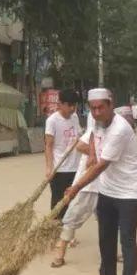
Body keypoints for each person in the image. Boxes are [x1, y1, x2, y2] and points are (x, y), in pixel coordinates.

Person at [64, 88, 137, 275]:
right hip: (107, 188)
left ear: (111, 105)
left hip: (128, 190)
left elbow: (101, 166)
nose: (97, 112)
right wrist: (91, 150)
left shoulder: (120, 129)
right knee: (105, 237)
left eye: (101, 107)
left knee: (126, 240)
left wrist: (75, 187)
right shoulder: (97, 121)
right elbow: (92, 135)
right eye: (93, 108)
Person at [52, 113, 106, 269]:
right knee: (72, 217)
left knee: (107, 220)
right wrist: (95, 152)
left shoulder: (113, 131)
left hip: (106, 184)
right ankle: (60, 253)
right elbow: (80, 146)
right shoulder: (93, 132)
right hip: (87, 184)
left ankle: (110, 253)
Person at [44, 89, 82, 218]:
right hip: (59, 169)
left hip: (75, 167)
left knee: (72, 202)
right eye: (70, 105)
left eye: (74, 105)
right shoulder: (52, 121)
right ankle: (55, 232)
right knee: (58, 203)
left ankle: (67, 235)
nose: (73, 108)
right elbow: (48, 146)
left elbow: (79, 137)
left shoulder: (75, 117)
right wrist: (49, 168)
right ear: (60, 104)